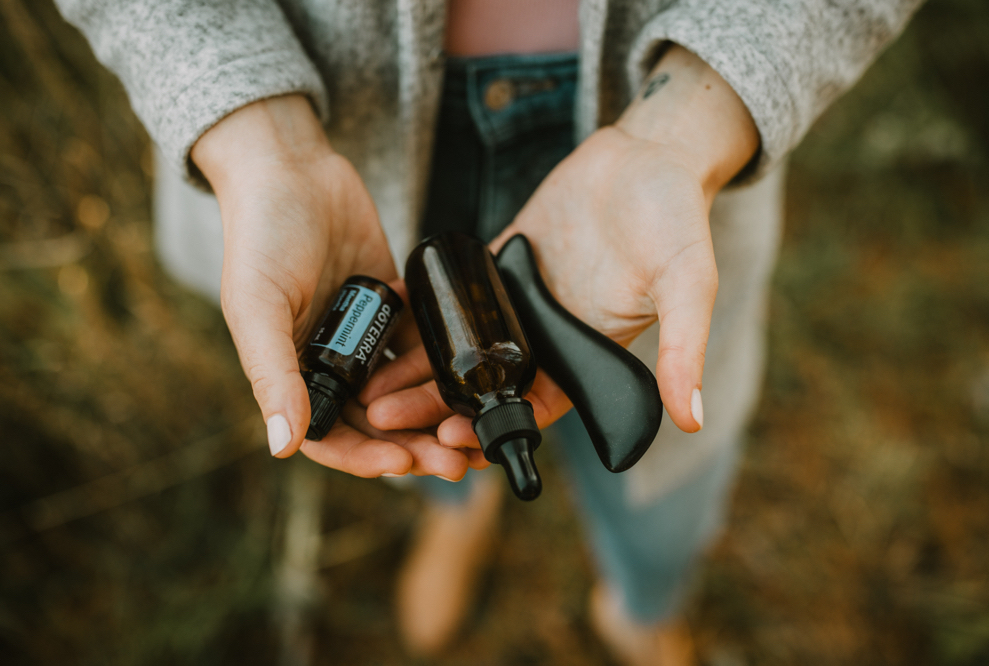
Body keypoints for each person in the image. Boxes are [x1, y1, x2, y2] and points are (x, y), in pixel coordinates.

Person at [57, 0, 923, 663]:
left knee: (664, 484)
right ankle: (460, 508)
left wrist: (697, 118)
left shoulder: (489, 361)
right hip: (347, 146)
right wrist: (253, 133)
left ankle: (644, 604)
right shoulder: (482, 364)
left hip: (655, 119)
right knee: (413, 416)